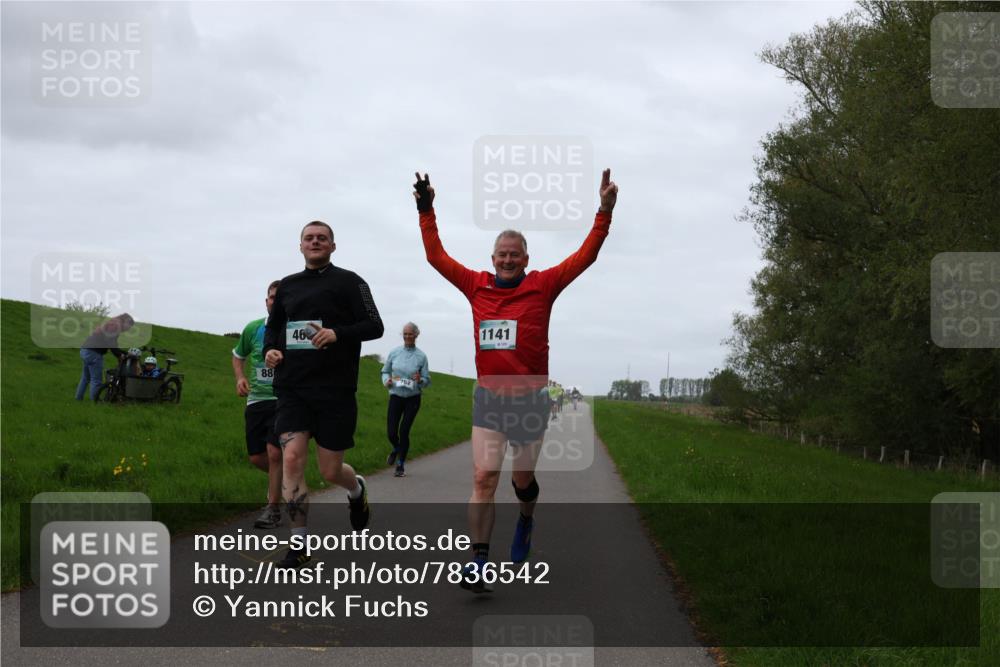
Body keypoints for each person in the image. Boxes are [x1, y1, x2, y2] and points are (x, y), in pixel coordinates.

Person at [414, 167, 618, 593]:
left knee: (521, 482)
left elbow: (586, 256)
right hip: (489, 399)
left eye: (515, 254)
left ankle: (526, 518)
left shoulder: (544, 285)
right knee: (483, 478)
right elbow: (436, 257)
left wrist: (603, 212)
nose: (507, 260)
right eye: (501, 254)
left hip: (529, 401)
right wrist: (426, 209)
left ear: (526, 259)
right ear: (493, 259)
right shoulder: (475, 286)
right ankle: (478, 561)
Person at [264, 220, 384, 568]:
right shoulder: (288, 285)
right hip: (292, 387)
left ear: (333, 246)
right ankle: (299, 545)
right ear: (300, 246)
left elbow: (375, 326)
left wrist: (337, 333)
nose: (315, 242)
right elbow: (274, 328)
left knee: (330, 471)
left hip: (335, 389)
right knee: (291, 459)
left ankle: (356, 489)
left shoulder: (352, 282)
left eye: (322, 238)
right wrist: (271, 351)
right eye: (309, 238)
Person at [233, 280, 283, 530]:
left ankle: (273, 509)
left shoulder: (295, 329)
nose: (275, 301)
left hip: (283, 400)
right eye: (272, 297)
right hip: (256, 400)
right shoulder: (253, 328)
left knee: (274, 452)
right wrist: (240, 378)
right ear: (266, 302)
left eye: (280, 297)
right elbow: (237, 355)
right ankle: (285, 480)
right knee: (256, 457)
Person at [381, 322, 431, 477]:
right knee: (391, 433)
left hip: (412, 398)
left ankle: (400, 465)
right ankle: (397, 449)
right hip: (396, 396)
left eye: (410, 334)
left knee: (404, 431)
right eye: (405, 334)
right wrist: (386, 381)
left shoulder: (421, 356)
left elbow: (427, 380)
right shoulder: (394, 352)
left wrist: (420, 379)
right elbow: (385, 371)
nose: (407, 336)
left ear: (416, 335)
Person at [75, 313, 134, 400]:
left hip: (86, 350)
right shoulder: (116, 326)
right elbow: (110, 342)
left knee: (85, 378)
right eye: (129, 326)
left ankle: (78, 398)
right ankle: (95, 402)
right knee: (96, 380)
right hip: (94, 353)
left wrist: (124, 353)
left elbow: (113, 344)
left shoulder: (112, 323)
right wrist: (119, 355)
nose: (128, 329)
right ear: (125, 322)